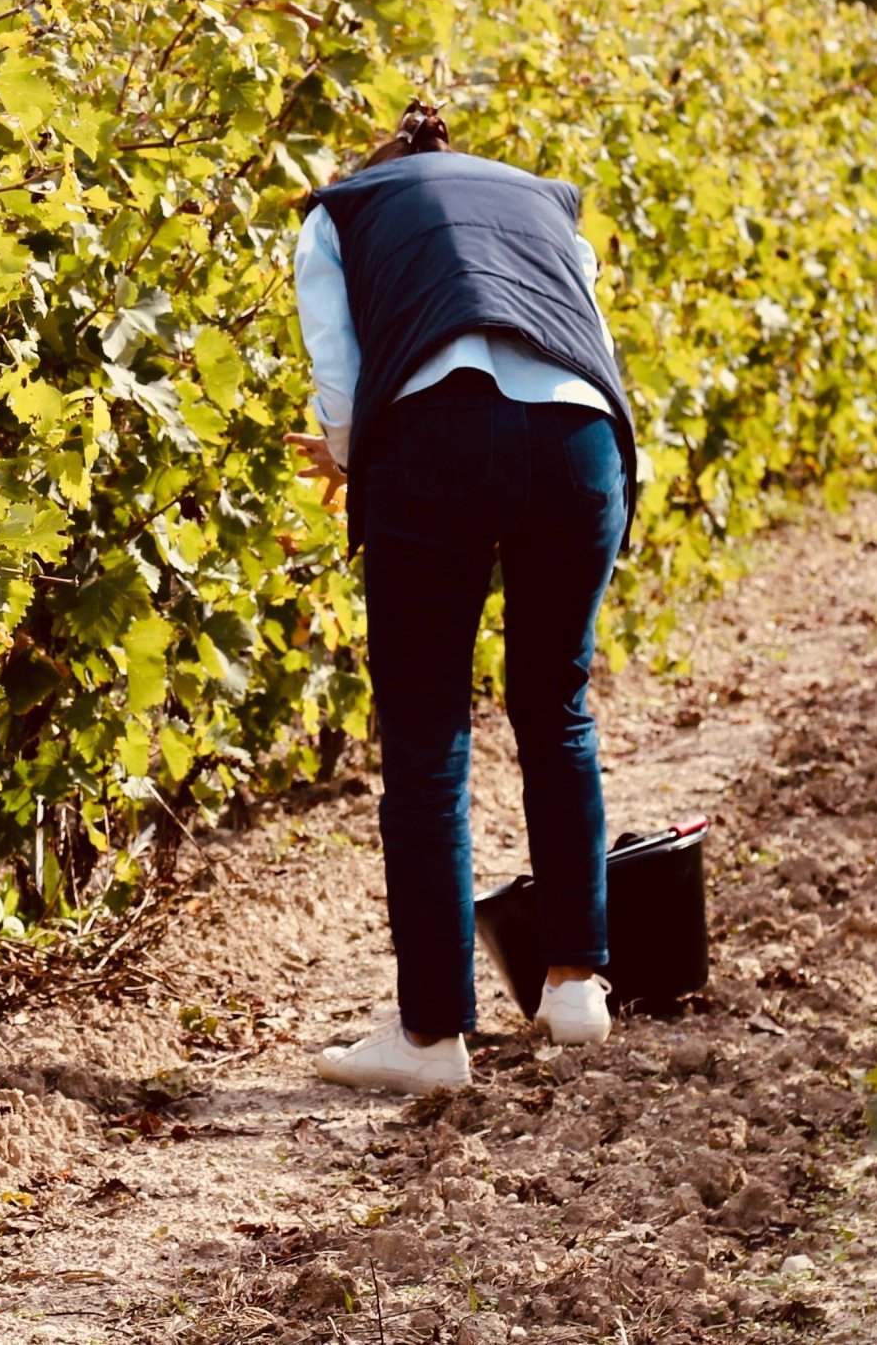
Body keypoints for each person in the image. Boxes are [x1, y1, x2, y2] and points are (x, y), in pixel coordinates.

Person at [289, 101, 638, 1093]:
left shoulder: (340, 211)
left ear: (375, 162)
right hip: (582, 439)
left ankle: (433, 1034)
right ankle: (573, 984)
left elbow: (345, 383)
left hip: (433, 445)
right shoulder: (541, 201)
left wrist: (357, 456)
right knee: (555, 702)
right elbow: (579, 341)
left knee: (429, 730)